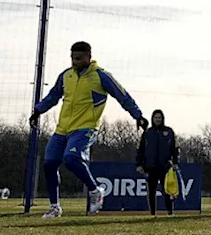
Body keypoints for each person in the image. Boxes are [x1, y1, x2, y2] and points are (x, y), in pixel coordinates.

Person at [30, 41, 148, 218]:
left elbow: (122, 95)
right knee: (49, 164)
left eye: (78, 58)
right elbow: (53, 96)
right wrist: (38, 111)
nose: (74, 62)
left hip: (86, 128)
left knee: (71, 158)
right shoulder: (66, 76)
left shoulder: (101, 76)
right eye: (72, 58)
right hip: (62, 129)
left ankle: (95, 191)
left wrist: (137, 115)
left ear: (89, 57)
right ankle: (55, 207)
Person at [135, 110, 179, 217]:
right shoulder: (147, 133)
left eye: (159, 117)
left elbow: (175, 148)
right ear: (152, 119)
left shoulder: (169, 132)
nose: (157, 119)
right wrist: (139, 164)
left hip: (165, 167)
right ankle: (152, 214)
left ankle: (170, 213)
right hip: (151, 167)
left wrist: (175, 162)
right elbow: (139, 150)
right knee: (151, 192)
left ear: (162, 118)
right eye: (155, 117)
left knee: (167, 191)